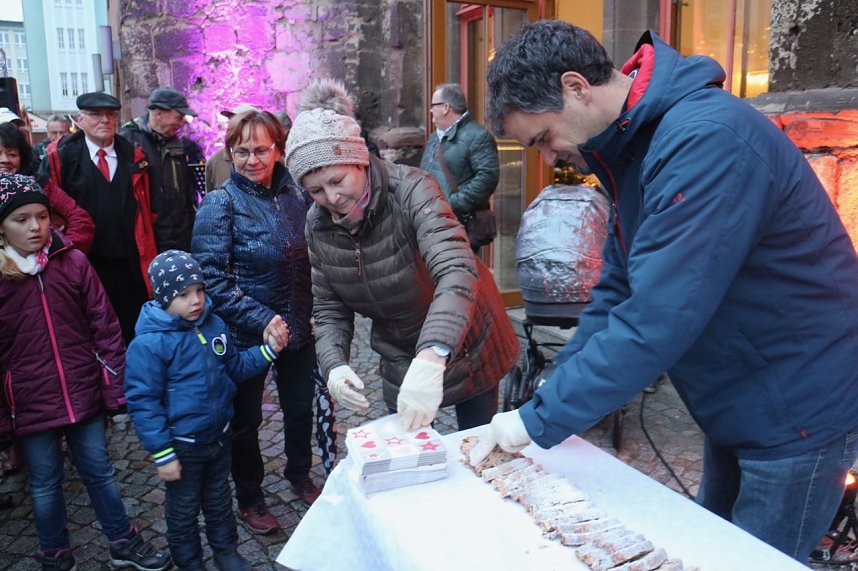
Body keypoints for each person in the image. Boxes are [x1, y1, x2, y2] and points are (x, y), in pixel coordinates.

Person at [471, 20, 858, 563]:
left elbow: (655, 316)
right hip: (740, 395)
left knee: (753, 559)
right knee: (708, 549)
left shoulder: (704, 139)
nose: (548, 158)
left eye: (543, 138)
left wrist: (534, 421)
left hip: (796, 407)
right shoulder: (633, 145)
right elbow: (616, 293)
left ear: (576, 87)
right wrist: (548, 399)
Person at [284, 81, 519, 434]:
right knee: (409, 456)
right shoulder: (317, 225)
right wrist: (334, 365)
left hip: (468, 337)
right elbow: (329, 306)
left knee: (477, 445)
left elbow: (456, 269)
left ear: (358, 161)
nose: (331, 198)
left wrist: (433, 353)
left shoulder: (412, 189)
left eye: (337, 181)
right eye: (316, 190)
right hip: (399, 350)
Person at [0, 173, 171, 571]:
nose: (35, 227)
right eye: (21, 219)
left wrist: (113, 385)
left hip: (82, 390)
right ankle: (55, 551)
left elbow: (105, 325)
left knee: (100, 470)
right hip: (30, 401)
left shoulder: (72, 261)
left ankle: (121, 540)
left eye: (41, 216)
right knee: (43, 483)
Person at [192, 108, 320, 534]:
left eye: (261, 150)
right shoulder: (220, 203)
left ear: (278, 150)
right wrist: (263, 318)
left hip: (298, 326)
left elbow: (314, 259)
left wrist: (314, 310)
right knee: (246, 422)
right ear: (230, 153)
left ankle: (300, 474)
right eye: (241, 151)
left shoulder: (296, 196)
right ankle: (250, 495)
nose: (251, 160)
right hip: (245, 333)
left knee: (300, 409)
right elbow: (211, 277)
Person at [124, 250, 286, 571]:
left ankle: (226, 552)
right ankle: (190, 562)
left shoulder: (214, 325)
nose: (195, 300)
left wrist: (267, 351)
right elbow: (144, 403)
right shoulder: (149, 345)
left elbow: (235, 367)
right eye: (183, 295)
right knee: (183, 510)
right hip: (182, 445)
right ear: (163, 297)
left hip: (219, 436)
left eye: (199, 290)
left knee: (218, 501)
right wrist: (162, 454)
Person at [40, 92, 158, 346]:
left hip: (131, 265)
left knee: (133, 330)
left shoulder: (134, 156)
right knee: (90, 330)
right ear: (80, 119)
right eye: (95, 115)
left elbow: (150, 210)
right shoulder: (61, 157)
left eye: (110, 114)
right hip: (85, 264)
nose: (105, 120)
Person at [120, 87, 205, 251]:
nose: (182, 122)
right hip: (147, 234)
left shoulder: (176, 142)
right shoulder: (128, 140)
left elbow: (185, 190)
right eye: (178, 117)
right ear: (158, 113)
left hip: (179, 233)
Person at [419, 83, 500, 252]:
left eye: (433, 105)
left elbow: (488, 177)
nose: (430, 111)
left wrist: (453, 204)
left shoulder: (478, 136)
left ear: (446, 108)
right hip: (433, 221)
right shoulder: (435, 137)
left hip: (460, 224)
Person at [1, 122, 94, 252]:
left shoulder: (40, 185)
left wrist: (61, 252)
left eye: (12, 154)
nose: (5, 160)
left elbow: (80, 219)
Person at [204, 105, 290, 193]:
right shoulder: (215, 161)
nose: (252, 161)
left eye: (261, 151)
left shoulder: (281, 165)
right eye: (231, 121)